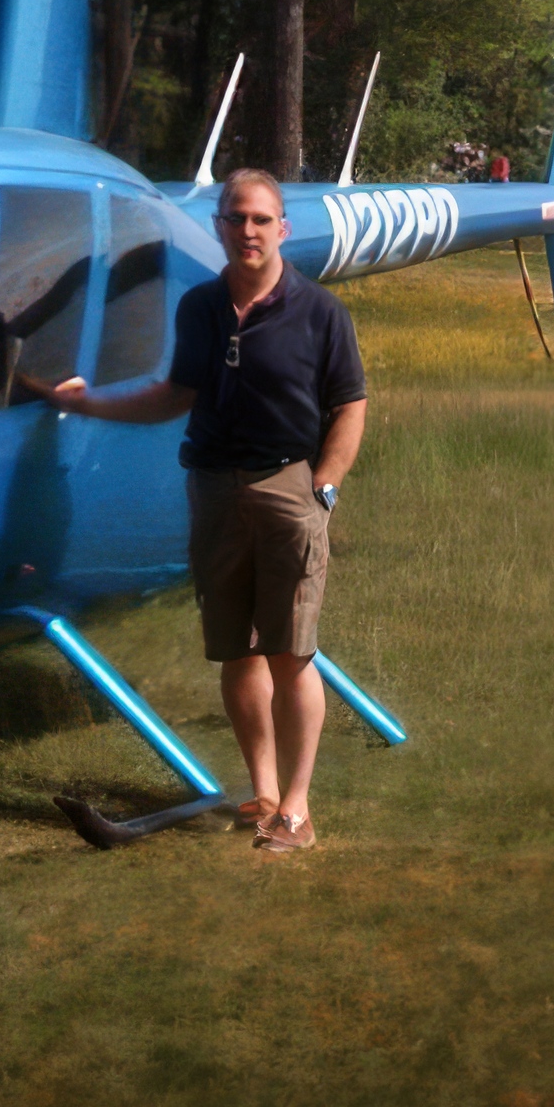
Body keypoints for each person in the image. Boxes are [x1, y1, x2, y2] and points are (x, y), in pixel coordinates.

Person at [51, 166, 366, 853]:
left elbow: (350, 405)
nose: (247, 231)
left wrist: (326, 486)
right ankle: (261, 794)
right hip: (213, 490)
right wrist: (87, 402)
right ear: (220, 227)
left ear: (282, 228)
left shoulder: (319, 312)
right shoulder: (199, 308)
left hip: (289, 489)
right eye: (235, 218)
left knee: (289, 654)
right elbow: (174, 395)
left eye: (260, 219)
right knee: (237, 652)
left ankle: (298, 811)